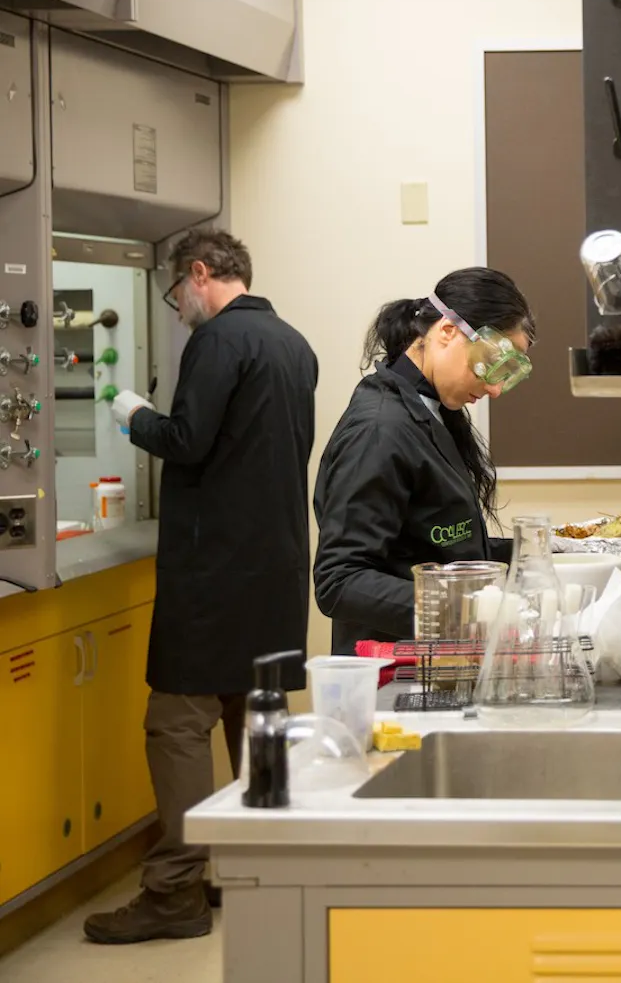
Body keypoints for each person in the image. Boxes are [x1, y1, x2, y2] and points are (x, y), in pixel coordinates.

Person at [85, 230, 317, 943]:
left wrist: (133, 415)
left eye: (176, 295)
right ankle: (258, 874)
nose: (178, 309)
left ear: (199, 274)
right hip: (273, 570)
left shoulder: (217, 342)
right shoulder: (293, 342)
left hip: (215, 571)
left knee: (177, 723)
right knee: (255, 719)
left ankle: (175, 889)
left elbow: (188, 439)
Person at [313, 267, 534, 653]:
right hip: (395, 662)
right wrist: (462, 609)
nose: (496, 388)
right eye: (491, 363)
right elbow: (339, 581)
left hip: (440, 655)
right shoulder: (380, 429)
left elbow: (437, 548)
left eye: (508, 373)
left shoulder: (429, 412)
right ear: (447, 331)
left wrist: (537, 554)